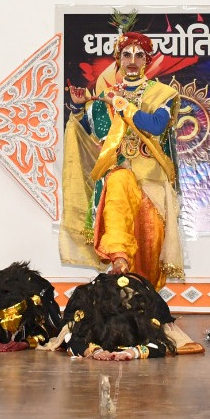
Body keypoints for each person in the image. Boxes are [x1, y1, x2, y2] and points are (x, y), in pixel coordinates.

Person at [60, 27, 184, 289]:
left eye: (139, 55)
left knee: (149, 254)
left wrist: (123, 104)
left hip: (151, 184)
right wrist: (78, 106)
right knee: (117, 191)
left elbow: (155, 126)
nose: (132, 61)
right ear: (118, 60)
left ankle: (147, 303)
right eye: (126, 55)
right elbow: (90, 135)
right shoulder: (105, 98)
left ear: (147, 60)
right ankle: (118, 261)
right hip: (119, 176)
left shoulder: (162, 94)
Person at [44, 272, 201, 360]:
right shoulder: (88, 314)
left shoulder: (145, 314)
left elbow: (159, 345)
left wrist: (134, 352)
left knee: (167, 335)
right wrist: (94, 351)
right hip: (96, 310)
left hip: (140, 303)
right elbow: (73, 341)